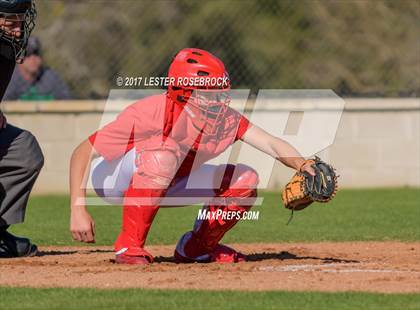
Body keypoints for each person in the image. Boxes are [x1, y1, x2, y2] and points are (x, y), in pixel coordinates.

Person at [69, 48, 315, 264]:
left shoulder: (223, 119)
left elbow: (271, 143)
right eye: (208, 93)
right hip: (113, 180)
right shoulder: (152, 112)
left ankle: (196, 248)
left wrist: (302, 164)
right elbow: (82, 153)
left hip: (169, 179)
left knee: (245, 180)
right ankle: (129, 246)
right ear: (183, 93)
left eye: (219, 92)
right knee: (163, 156)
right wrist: (78, 209)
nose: (217, 100)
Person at [0, 0, 43, 258]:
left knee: (24, 151)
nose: (17, 29)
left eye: (20, 20)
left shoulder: (6, 49)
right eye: (10, 21)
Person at [3, 36, 71, 101]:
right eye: (28, 54)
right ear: (18, 58)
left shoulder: (51, 77)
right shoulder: (9, 78)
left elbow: (67, 102)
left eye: (36, 53)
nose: (33, 59)